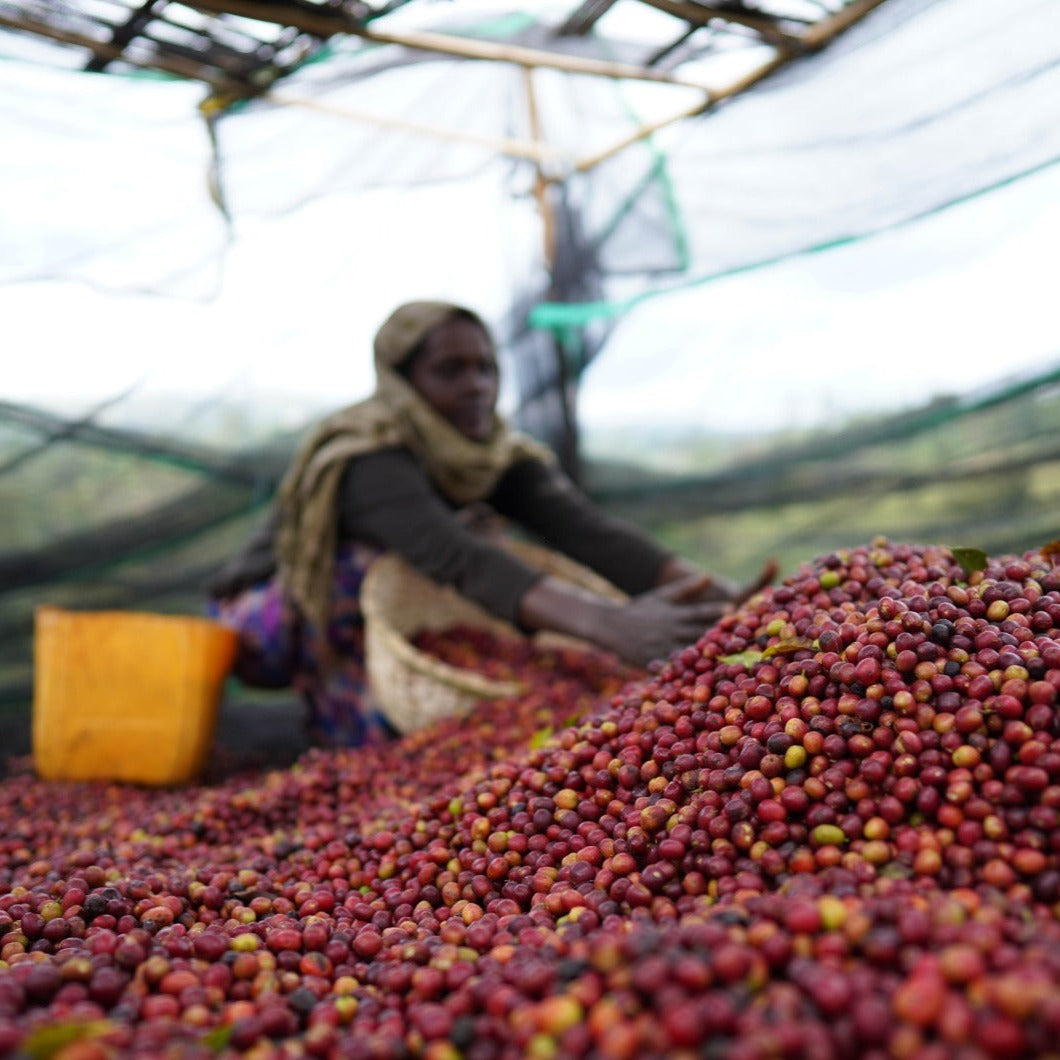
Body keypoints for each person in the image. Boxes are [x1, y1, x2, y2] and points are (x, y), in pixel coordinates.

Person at [208, 300, 773, 747]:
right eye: (448, 371)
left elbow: (586, 532)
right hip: (272, 623)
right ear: (403, 381)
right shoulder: (366, 454)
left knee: (472, 562)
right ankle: (344, 726)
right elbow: (457, 557)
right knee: (376, 565)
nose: (476, 386)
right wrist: (612, 626)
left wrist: (715, 593)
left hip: (398, 613)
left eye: (485, 368)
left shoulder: (493, 453)